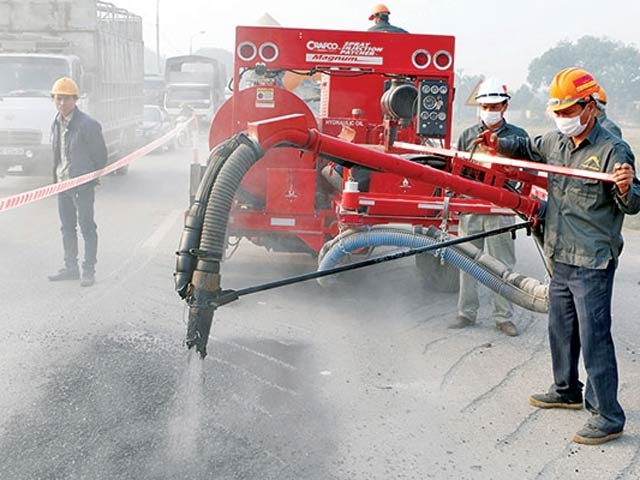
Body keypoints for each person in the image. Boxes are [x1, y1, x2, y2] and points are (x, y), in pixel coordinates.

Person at [477, 67, 640, 445]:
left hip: (592, 257)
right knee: (561, 327)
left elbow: (633, 203)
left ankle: (608, 415)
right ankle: (566, 388)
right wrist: (497, 141)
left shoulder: (612, 149)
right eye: (558, 112)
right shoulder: (555, 142)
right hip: (560, 252)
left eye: (569, 111)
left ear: (589, 108)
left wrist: (626, 187)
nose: (563, 118)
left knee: (594, 335)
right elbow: (526, 148)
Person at [450, 79, 530, 337]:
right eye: (485, 106)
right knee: (466, 262)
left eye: (494, 106)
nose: (489, 110)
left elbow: (526, 173)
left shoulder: (517, 138)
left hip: (501, 209)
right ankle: (466, 313)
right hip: (471, 208)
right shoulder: (467, 135)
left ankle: (503, 317)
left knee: (502, 265)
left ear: (505, 107)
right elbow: (457, 171)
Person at [47, 77, 108, 287]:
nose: (62, 103)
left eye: (66, 99)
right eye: (58, 98)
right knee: (67, 227)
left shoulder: (88, 125)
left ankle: (88, 270)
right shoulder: (56, 123)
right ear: (54, 99)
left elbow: (100, 157)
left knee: (87, 227)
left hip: (81, 187)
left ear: (75, 99)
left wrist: (87, 177)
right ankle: (70, 268)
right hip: (62, 185)